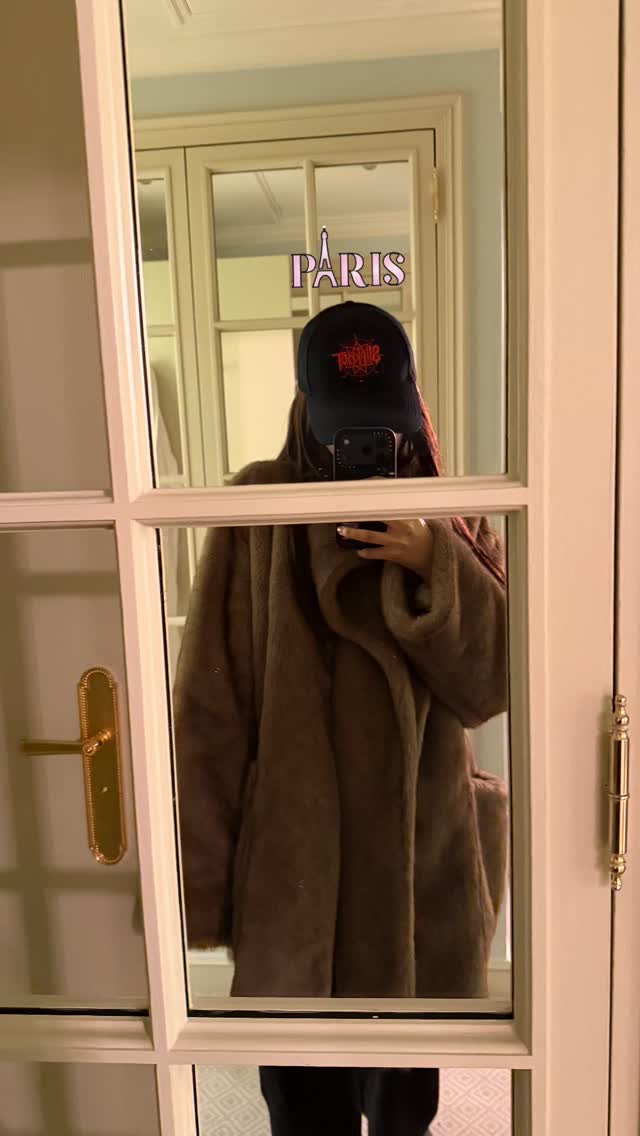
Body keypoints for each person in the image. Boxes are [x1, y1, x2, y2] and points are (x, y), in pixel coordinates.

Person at [173, 301, 509, 1135]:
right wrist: (202, 889)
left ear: (411, 410)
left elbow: (495, 685)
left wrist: (437, 561)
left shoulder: (454, 506)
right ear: (305, 411)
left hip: (417, 859)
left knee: (405, 1106)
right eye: (342, 429)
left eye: (378, 425)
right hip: (298, 862)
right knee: (301, 1104)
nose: (358, 447)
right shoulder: (258, 507)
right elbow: (212, 707)